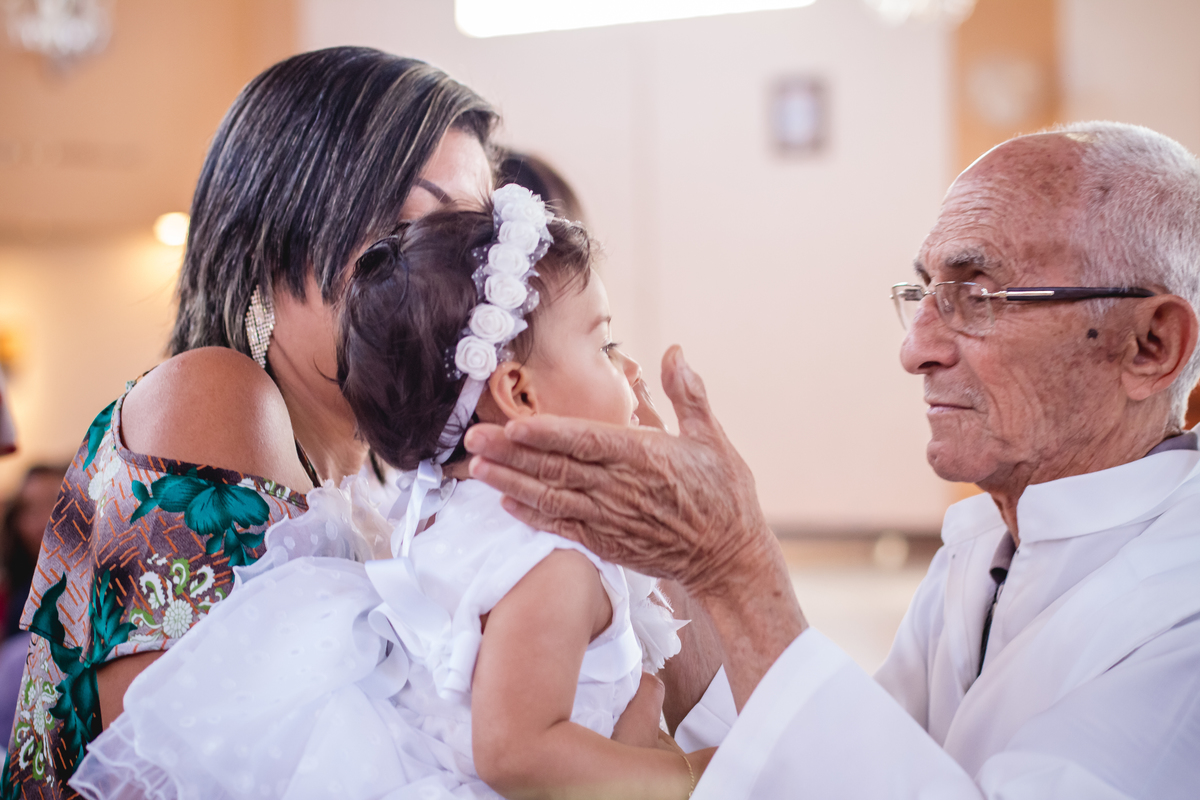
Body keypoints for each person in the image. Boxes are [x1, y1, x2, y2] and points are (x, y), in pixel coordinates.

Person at [464, 121, 1200, 798]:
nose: (916, 348)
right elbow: (827, 763)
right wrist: (671, 555)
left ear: (1151, 346)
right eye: (922, 293)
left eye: (978, 296)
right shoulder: (985, 555)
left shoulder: (1181, 619)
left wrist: (737, 568)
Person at [70, 187, 711, 799]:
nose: (628, 371)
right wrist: (684, 776)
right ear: (519, 393)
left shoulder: (448, 513)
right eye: (604, 344)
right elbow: (518, 753)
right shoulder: (548, 558)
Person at [3, 47, 496, 798]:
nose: (459, 279)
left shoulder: (367, 482)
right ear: (279, 232)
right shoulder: (216, 397)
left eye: (472, 243)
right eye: (409, 229)